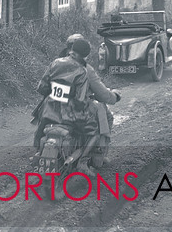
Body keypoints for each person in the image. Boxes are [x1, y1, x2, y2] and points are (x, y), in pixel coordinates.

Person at [32, 38, 120, 175]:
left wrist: (56, 93)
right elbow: (80, 102)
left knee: (40, 129)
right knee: (94, 132)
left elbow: (42, 87)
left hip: (49, 109)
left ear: (70, 49)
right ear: (85, 55)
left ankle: (38, 152)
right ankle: (83, 162)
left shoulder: (55, 63)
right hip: (71, 114)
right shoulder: (83, 70)